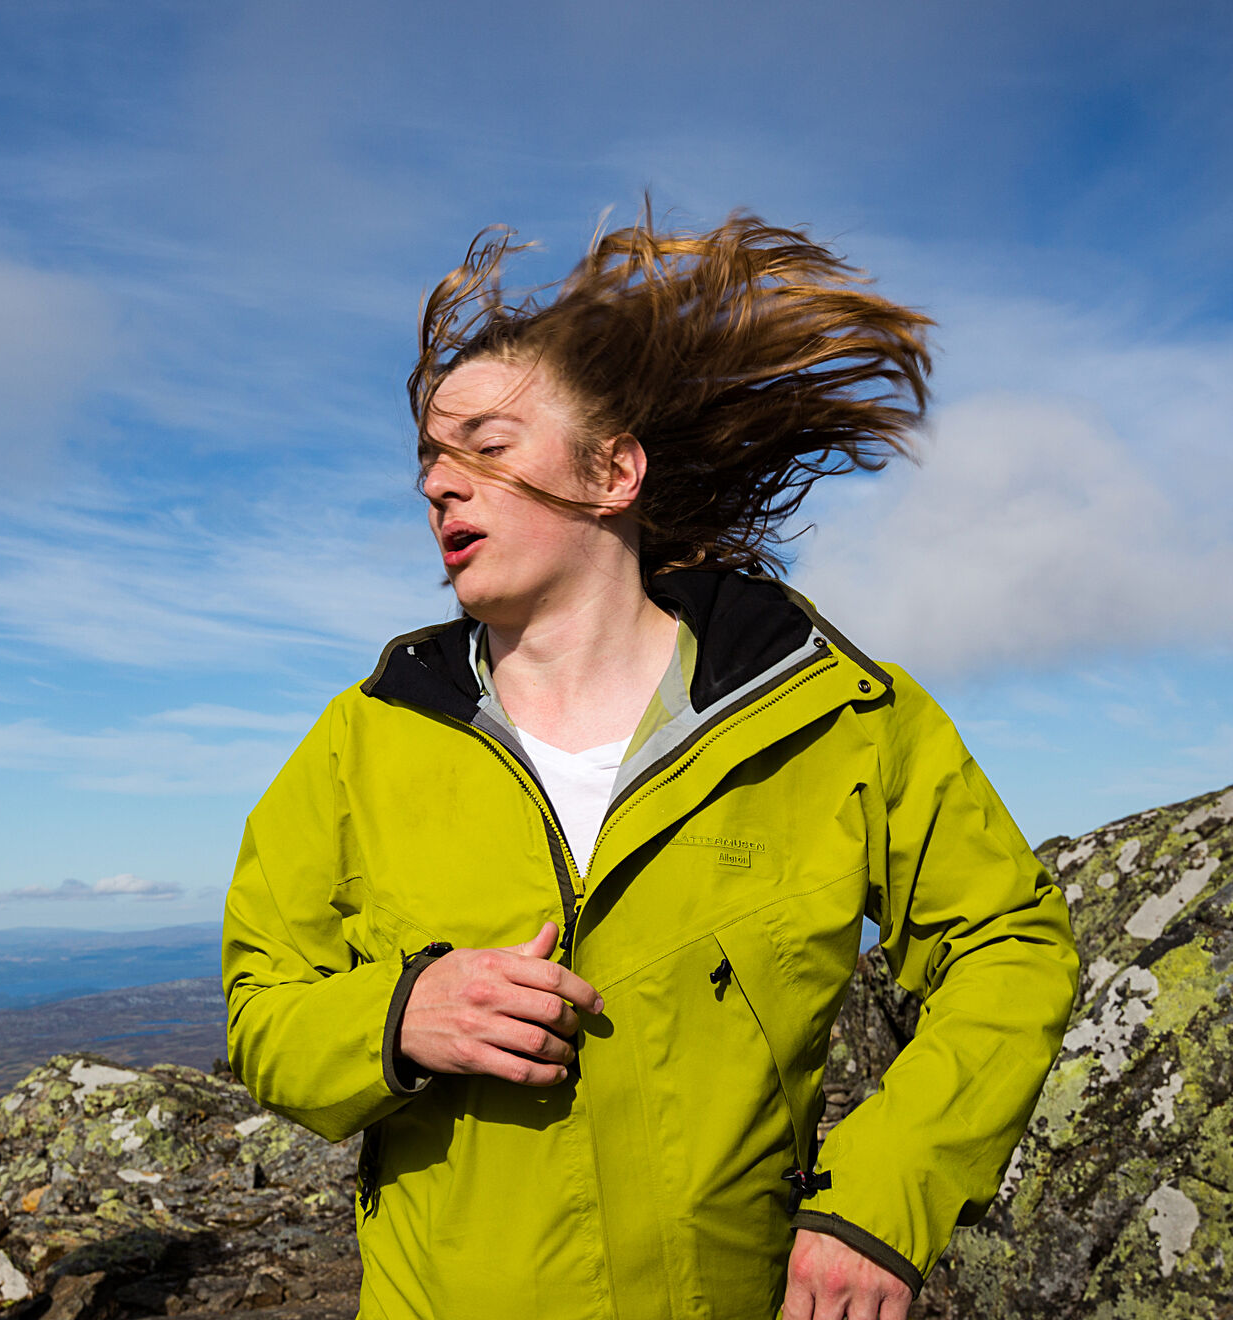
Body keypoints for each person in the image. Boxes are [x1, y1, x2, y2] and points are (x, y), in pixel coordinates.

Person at [220, 208, 1078, 1320]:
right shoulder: (364, 738)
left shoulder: (835, 716)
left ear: (612, 471)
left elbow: (1010, 945)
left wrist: (883, 1196)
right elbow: (264, 1011)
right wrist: (396, 1015)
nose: (437, 485)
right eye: (430, 459)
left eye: (486, 446)